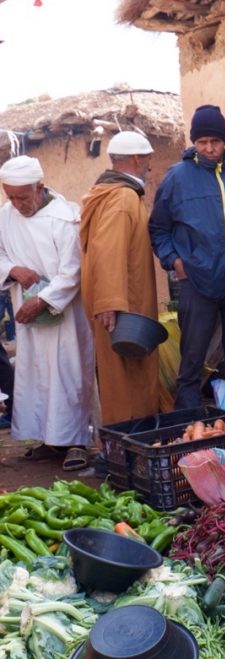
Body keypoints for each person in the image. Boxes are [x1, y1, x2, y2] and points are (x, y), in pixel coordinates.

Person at [149, 105, 225, 410]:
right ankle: (188, 422)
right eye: (202, 142)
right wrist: (175, 261)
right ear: (194, 143)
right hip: (197, 282)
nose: (209, 149)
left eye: (215, 142)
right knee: (193, 357)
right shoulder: (177, 179)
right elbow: (158, 228)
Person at [0, 156, 95, 470]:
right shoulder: (6, 215)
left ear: (39, 188)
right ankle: (49, 439)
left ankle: (77, 441)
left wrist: (42, 300)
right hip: (25, 315)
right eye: (10, 196)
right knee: (35, 374)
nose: (17, 204)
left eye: (23, 197)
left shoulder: (65, 218)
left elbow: (73, 272)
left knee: (68, 373)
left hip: (63, 316)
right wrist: (12, 268)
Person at [79, 131, 161, 425]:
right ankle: (128, 444)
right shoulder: (122, 198)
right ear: (138, 159)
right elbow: (107, 251)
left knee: (124, 375)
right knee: (127, 379)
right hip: (122, 307)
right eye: (148, 159)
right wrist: (111, 301)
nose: (150, 167)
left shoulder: (112, 193)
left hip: (121, 300)